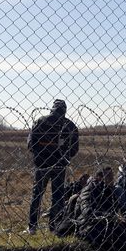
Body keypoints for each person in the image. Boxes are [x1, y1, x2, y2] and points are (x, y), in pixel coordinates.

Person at [25, 99, 79, 234]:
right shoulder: (69, 125)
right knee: (58, 196)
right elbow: (74, 148)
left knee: (37, 194)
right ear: (65, 110)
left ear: (52, 108)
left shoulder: (41, 121)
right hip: (59, 165)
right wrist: (64, 156)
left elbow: (31, 143)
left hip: (42, 164)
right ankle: (54, 226)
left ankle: (32, 227)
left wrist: (40, 154)